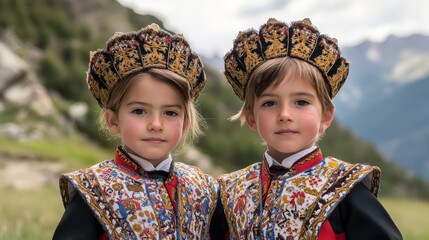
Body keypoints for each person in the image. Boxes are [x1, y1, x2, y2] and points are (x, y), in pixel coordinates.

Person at [211, 18, 402, 239]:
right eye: (269, 103)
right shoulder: (231, 192)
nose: (284, 115)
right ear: (251, 118)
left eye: (301, 102)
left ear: (326, 116)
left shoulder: (345, 189)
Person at [53, 23, 218, 239]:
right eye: (139, 111)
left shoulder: (204, 189)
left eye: (170, 113)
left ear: (185, 123)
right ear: (113, 121)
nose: (156, 124)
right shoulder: (93, 190)